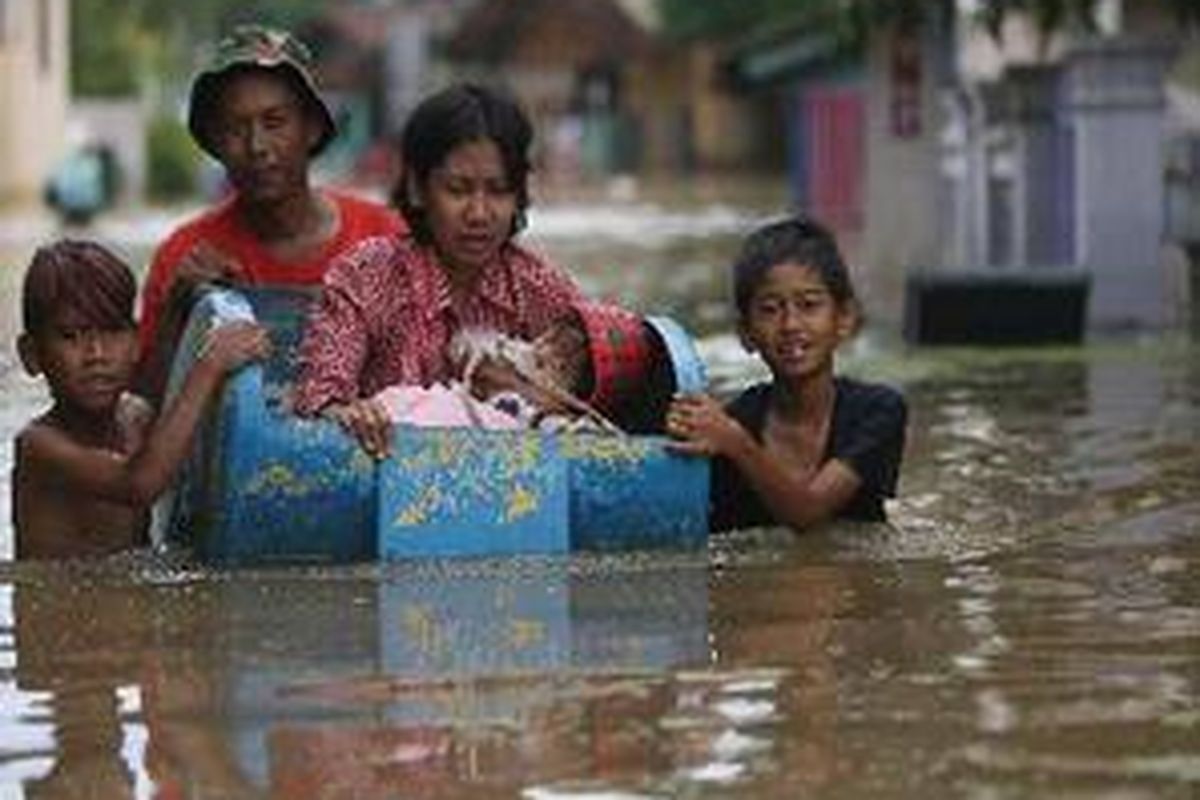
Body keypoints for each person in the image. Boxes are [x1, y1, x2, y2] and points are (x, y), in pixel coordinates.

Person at [294, 82, 585, 457]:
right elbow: (319, 397)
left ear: (518, 197)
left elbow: (607, 387)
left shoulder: (540, 288)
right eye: (458, 189)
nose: (479, 214)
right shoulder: (366, 275)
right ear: (417, 189)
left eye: (497, 191)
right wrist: (348, 414)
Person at [135, 25, 403, 405]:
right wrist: (180, 309)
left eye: (274, 123)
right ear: (214, 142)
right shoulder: (184, 255)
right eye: (234, 128)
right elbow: (142, 407)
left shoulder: (386, 237)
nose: (257, 146)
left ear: (311, 128)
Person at [12, 240, 269, 560]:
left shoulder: (135, 416)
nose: (96, 354)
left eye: (112, 331)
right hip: (62, 609)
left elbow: (160, 397)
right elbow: (140, 483)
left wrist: (176, 306)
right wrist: (210, 365)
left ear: (134, 343)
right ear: (32, 355)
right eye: (70, 336)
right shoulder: (40, 445)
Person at [666, 215, 907, 531]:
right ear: (746, 333)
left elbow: (809, 514)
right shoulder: (731, 426)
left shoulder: (877, 412)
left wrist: (737, 444)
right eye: (769, 309)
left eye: (809, 305)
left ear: (844, 319)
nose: (791, 325)